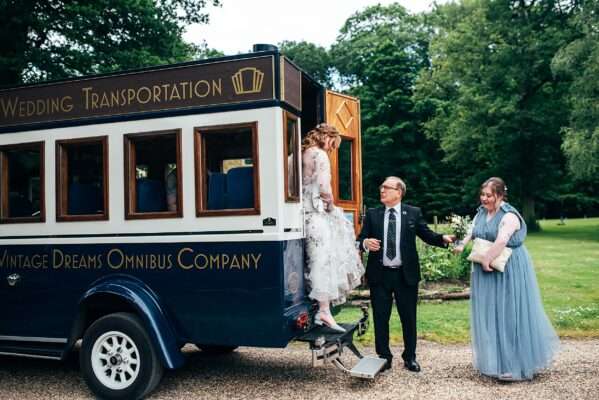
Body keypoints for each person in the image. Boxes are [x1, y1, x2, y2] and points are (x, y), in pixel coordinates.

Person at [454, 177, 559, 381]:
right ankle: (496, 361)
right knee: (490, 313)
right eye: (482, 194)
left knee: (510, 312)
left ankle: (514, 364)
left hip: (508, 268)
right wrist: (460, 244)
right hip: (487, 268)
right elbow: (471, 232)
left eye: (489, 195)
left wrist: (486, 260)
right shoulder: (481, 212)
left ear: (500, 195)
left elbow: (502, 240)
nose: (484, 199)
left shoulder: (509, 216)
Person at [357, 176, 454, 372]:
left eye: (386, 187)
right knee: (380, 318)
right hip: (379, 275)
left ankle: (410, 357)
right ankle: (384, 357)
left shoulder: (413, 213)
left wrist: (443, 238)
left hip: (405, 276)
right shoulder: (373, 215)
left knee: (408, 318)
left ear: (398, 192)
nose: (382, 190)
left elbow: (427, 235)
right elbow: (360, 239)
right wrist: (366, 243)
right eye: (381, 187)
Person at [302, 123, 365, 333]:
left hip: (299, 215)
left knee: (313, 259)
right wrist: (330, 205)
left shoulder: (296, 155)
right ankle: (323, 310)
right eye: (333, 144)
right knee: (324, 259)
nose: (331, 149)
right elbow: (323, 187)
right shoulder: (319, 155)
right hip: (315, 214)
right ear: (327, 137)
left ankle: (321, 309)